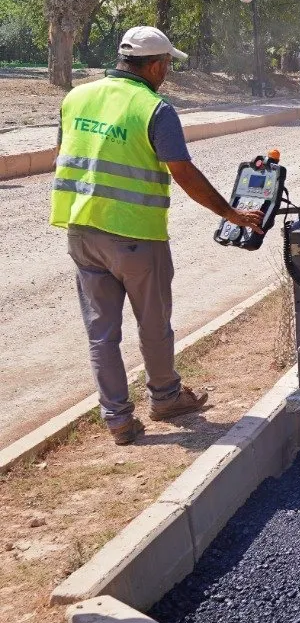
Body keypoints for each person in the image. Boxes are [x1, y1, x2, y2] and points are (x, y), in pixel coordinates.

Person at [51, 27, 263, 445]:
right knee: (153, 324)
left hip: (80, 231)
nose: (167, 71)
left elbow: (70, 153)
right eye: (166, 63)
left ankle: (117, 420)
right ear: (153, 65)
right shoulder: (155, 109)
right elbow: (181, 171)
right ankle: (165, 397)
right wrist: (230, 213)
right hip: (134, 235)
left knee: (101, 332)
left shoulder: (75, 98)